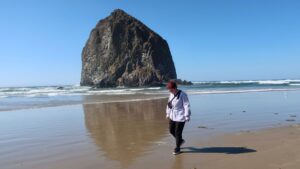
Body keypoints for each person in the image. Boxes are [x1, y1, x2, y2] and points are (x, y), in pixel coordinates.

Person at [166, 80, 191, 155]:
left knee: (178, 132)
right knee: (171, 130)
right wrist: (167, 113)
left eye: (170, 89)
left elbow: (186, 105)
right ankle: (180, 140)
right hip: (172, 115)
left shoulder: (183, 94)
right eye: (169, 89)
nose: (169, 90)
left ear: (174, 88)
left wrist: (187, 116)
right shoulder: (171, 94)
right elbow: (169, 104)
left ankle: (177, 148)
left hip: (181, 116)